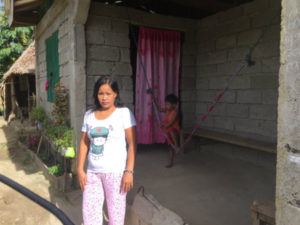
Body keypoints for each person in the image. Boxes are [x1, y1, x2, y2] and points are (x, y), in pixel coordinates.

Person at [77, 75, 137, 225]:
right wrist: (79, 169)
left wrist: (129, 171)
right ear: (96, 95)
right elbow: (84, 143)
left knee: (116, 217)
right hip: (92, 174)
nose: (104, 98)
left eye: (108, 93)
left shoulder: (123, 114)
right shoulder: (89, 115)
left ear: (115, 93)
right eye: (100, 93)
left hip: (116, 174)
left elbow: (132, 144)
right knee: (90, 216)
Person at [155, 94, 181, 168]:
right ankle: (171, 162)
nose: (166, 106)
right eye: (166, 104)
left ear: (174, 105)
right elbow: (159, 109)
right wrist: (153, 101)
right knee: (169, 147)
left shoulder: (175, 112)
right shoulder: (166, 110)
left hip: (175, 130)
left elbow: (171, 123)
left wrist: (163, 126)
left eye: (168, 104)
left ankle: (176, 145)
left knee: (170, 129)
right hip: (168, 130)